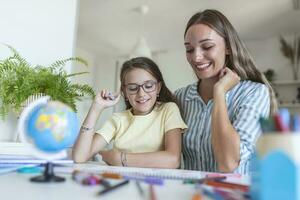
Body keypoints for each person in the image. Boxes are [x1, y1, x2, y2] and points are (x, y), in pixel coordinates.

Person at [175, 9, 277, 174]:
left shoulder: (255, 93)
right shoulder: (180, 97)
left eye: (207, 46)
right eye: (189, 49)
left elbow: (229, 163)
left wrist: (220, 92)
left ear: (228, 47)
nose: (196, 57)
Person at [72, 57, 187, 168]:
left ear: (158, 87)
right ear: (124, 92)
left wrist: (120, 159)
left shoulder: (168, 110)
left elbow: (173, 160)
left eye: (148, 86)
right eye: (133, 88)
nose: (141, 94)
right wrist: (96, 107)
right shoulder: (118, 120)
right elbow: (79, 157)